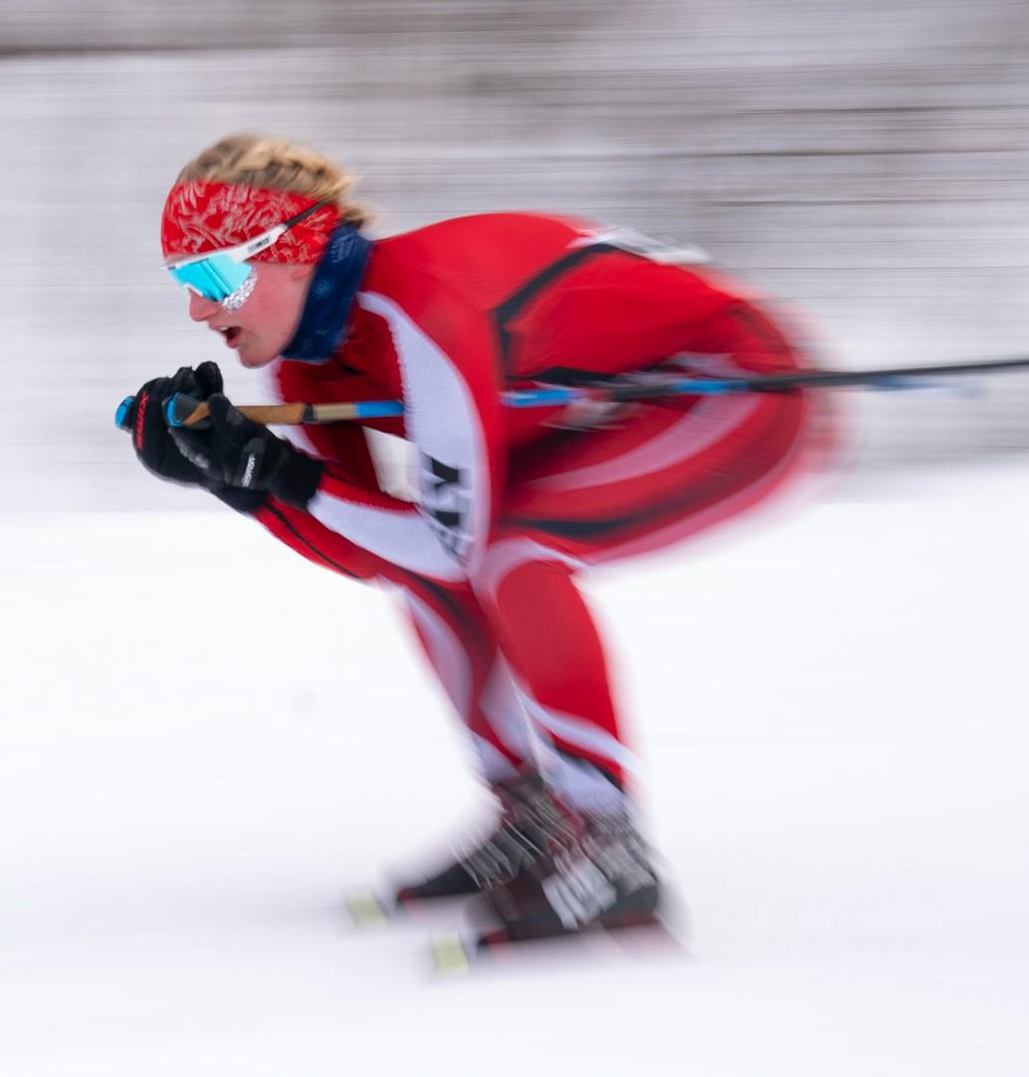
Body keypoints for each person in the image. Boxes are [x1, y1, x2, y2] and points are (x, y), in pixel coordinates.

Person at [124, 135, 832, 946]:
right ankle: (532, 815)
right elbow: (386, 557)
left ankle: (609, 842)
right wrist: (240, 482)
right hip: (605, 407)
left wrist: (283, 477)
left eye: (213, 278)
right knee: (453, 558)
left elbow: (453, 547)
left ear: (293, 254)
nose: (197, 309)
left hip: (744, 387)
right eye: (183, 281)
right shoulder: (307, 362)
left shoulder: (420, 310)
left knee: (509, 552)